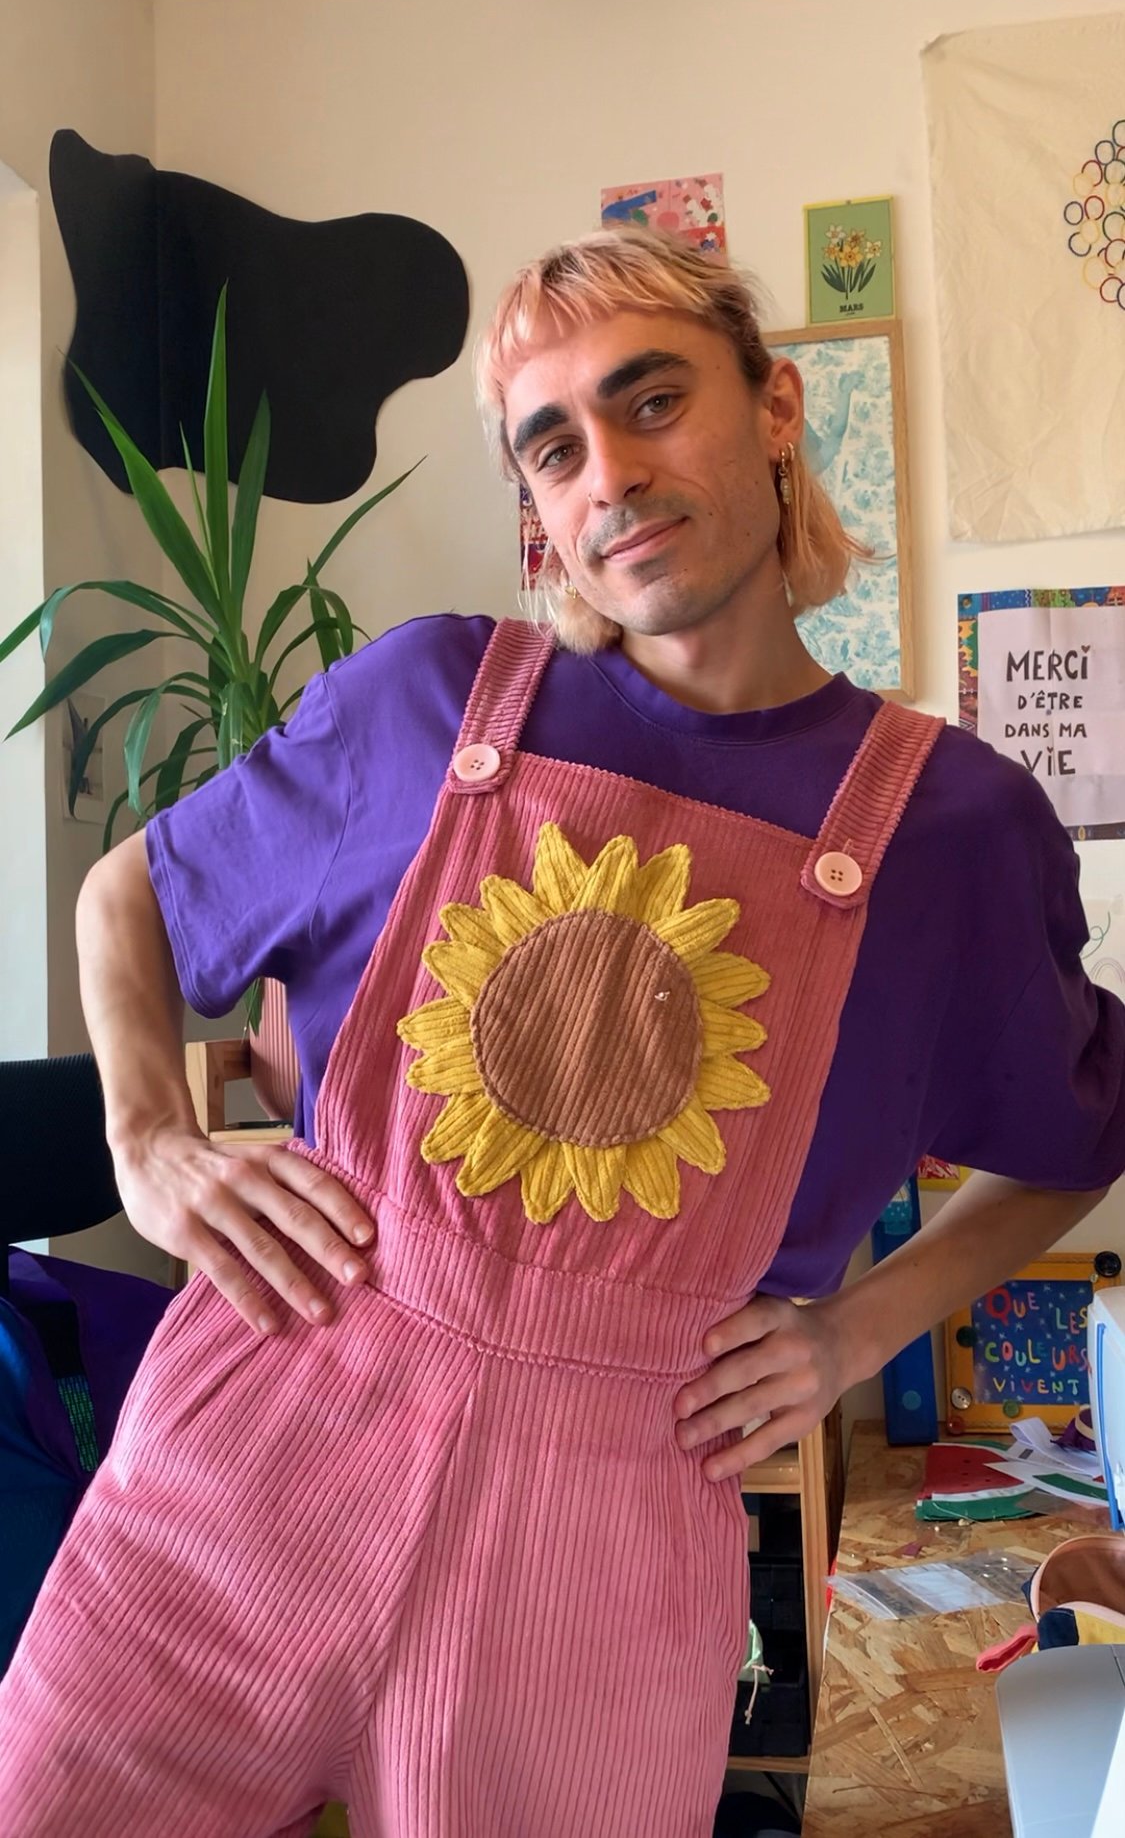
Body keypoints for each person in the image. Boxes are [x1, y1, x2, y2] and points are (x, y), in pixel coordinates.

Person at [1, 225, 1121, 1837]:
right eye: (552, 445)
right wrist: (148, 1141)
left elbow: (1078, 1131)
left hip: (605, 1542)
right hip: (260, 1447)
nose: (609, 474)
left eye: (651, 401)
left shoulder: (950, 831)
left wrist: (858, 1331)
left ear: (775, 408)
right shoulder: (424, 704)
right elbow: (131, 894)